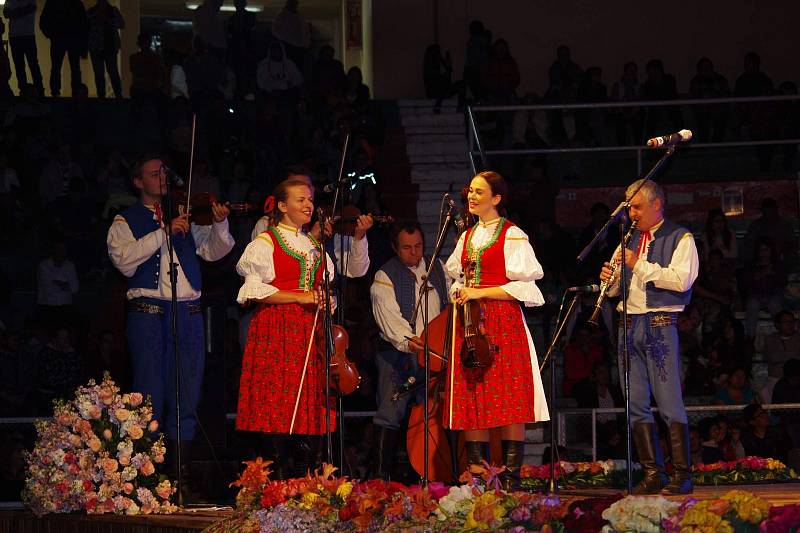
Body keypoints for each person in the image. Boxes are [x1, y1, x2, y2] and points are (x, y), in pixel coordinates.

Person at [106, 156, 234, 497]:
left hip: (187, 310)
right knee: (149, 394)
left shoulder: (183, 214)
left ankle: (181, 480)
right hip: (149, 312)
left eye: (164, 171)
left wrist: (219, 224)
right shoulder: (126, 219)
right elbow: (124, 261)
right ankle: (147, 481)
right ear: (138, 182)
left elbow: (213, 251)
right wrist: (163, 232)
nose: (162, 177)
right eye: (153, 173)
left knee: (188, 393)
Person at [444, 171, 549, 490]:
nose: (471, 197)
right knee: (474, 398)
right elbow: (455, 279)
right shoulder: (466, 237)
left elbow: (529, 289)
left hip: (503, 324)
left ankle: (511, 478)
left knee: (509, 398)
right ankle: (477, 477)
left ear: (497, 198)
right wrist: (460, 292)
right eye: (470, 192)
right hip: (472, 323)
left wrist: (481, 292)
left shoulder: (511, 234)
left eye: (479, 192)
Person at [600, 179, 699, 494]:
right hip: (628, 325)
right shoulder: (627, 240)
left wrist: (637, 264)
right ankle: (653, 473)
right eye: (629, 206)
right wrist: (609, 280)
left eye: (637, 206)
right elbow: (616, 289)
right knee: (636, 402)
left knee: (669, 402)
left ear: (657, 204)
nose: (631, 212)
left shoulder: (680, 237)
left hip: (659, 323)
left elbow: (680, 280)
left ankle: (683, 474)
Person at [235, 179, 338, 478]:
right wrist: (300, 296)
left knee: (309, 399)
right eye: (300, 200)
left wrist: (324, 299)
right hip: (277, 328)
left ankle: (305, 478)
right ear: (282, 206)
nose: (308, 205)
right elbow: (251, 290)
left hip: (310, 330)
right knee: (277, 399)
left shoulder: (314, 245)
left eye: (310, 199)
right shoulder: (266, 242)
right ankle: (277, 478)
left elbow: (324, 282)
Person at [369, 220, 451, 480]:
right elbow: (389, 318)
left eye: (418, 246)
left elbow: (449, 306)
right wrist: (409, 339)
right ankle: (383, 479)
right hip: (397, 355)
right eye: (407, 248)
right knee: (390, 413)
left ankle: (430, 476)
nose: (414, 253)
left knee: (430, 414)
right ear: (395, 248)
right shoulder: (384, 276)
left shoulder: (438, 267)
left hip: (434, 357)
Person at [39, 0, 87, 97]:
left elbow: (43, 21)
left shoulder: (53, 3)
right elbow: (84, 24)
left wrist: (51, 34)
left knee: (56, 67)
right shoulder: (76, 3)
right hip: (72, 39)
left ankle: (56, 92)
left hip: (59, 39)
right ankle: (76, 92)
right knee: (74, 68)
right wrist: (83, 46)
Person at [3, 0, 44, 97]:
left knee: (21, 66)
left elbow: (8, 13)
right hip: (27, 35)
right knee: (32, 65)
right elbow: (7, 13)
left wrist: (14, 13)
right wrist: (23, 10)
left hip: (17, 36)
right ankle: (39, 91)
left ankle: (25, 91)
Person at [86, 0, 125, 99]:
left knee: (107, 72)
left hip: (103, 47)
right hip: (102, 47)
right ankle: (114, 94)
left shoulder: (93, 12)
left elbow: (121, 24)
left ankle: (106, 95)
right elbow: (121, 23)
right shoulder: (110, 11)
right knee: (106, 72)